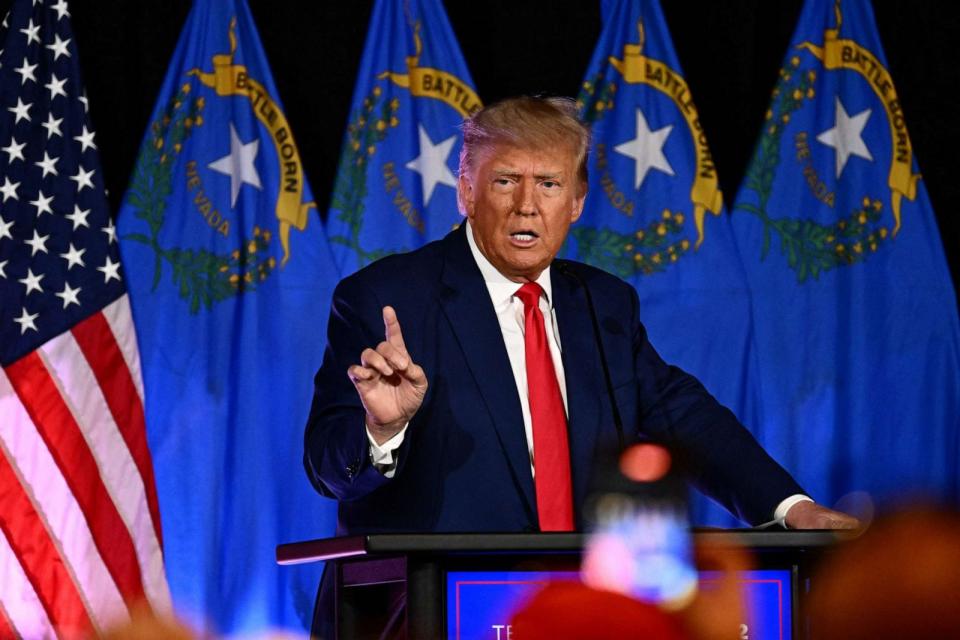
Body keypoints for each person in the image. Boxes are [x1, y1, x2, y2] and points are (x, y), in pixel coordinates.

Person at [303, 96, 857, 534]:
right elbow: (326, 468)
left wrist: (790, 507)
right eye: (504, 181)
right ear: (466, 192)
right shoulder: (386, 298)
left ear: (577, 203)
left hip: (577, 606)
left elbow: (685, 416)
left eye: (548, 184)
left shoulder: (603, 305)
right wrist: (382, 428)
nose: (527, 204)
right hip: (437, 608)